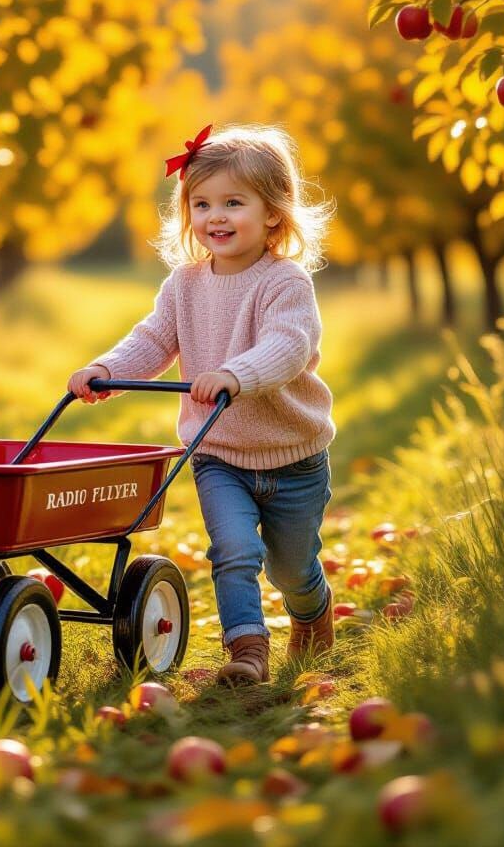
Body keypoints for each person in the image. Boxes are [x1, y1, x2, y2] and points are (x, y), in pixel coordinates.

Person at [68, 123, 336, 686]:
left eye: (233, 202)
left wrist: (236, 374)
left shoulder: (285, 283)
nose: (215, 216)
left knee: (292, 567)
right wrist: (107, 370)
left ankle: (311, 611)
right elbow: (152, 339)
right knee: (234, 551)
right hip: (218, 453)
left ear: (273, 213)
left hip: (294, 457)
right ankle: (247, 650)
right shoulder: (184, 285)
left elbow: (289, 346)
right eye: (201, 203)